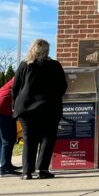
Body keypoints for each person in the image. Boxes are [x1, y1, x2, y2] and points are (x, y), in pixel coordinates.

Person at [12, 39, 68, 180]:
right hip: (49, 107)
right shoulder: (54, 65)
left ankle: (27, 172)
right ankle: (43, 170)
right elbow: (63, 86)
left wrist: (15, 105)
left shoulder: (24, 65)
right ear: (47, 50)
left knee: (29, 139)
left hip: (26, 109)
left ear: (32, 49)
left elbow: (15, 87)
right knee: (47, 138)